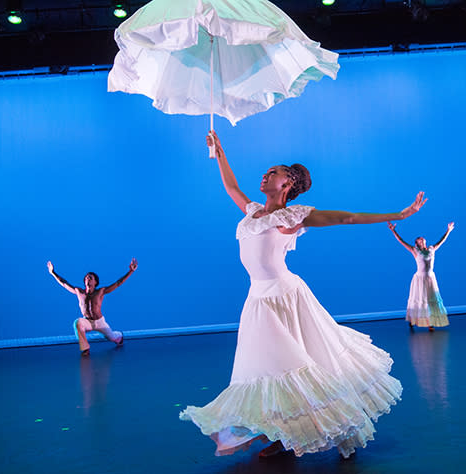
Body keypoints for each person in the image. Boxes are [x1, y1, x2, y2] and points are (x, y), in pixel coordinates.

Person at [180, 131, 427, 459]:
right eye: (267, 171)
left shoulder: (290, 217)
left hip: (285, 298)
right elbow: (230, 186)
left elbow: (345, 217)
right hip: (257, 301)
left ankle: (327, 429)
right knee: (267, 370)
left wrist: (399, 215)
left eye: (275, 171)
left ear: (287, 184)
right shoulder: (252, 212)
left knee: (302, 364)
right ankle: (281, 434)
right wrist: (219, 150)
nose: (266, 174)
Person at [47, 259, 138, 355]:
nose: (87, 279)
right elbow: (64, 283)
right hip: (87, 321)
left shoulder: (100, 292)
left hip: (100, 322)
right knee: (77, 323)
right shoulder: (79, 292)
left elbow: (118, 283)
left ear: (95, 282)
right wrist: (53, 273)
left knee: (112, 338)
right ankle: (85, 349)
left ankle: (119, 336)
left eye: (90, 278)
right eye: (86, 278)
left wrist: (131, 271)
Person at [387, 221, 454, 331]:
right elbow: (401, 241)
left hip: (430, 278)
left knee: (431, 300)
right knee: (420, 300)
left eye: (422, 238)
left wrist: (448, 231)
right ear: (417, 243)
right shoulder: (415, 251)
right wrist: (394, 230)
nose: (421, 239)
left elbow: (441, 241)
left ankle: (430, 322)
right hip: (420, 279)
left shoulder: (432, 249)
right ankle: (414, 320)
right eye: (419, 239)